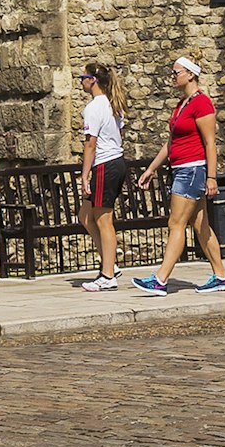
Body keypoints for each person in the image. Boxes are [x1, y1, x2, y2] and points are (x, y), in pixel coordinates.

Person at [140, 53, 225, 291]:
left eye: (176, 72)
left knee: (176, 223)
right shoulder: (182, 105)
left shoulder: (201, 103)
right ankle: (220, 276)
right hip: (181, 168)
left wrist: (211, 177)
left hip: (191, 170)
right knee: (201, 224)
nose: (172, 77)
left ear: (191, 74)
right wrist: (151, 168)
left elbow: (210, 143)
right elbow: (171, 143)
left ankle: (160, 279)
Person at [75, 62, 129, 288]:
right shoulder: (112, 105)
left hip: (105, 164)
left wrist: (85, 175)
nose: (81, 81)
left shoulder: (95, 107)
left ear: (92, 80)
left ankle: (107, 276)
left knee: (103, 220)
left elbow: (91, 145)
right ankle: (110, 262)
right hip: (115, 162)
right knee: (86, 216)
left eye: (82, 77)